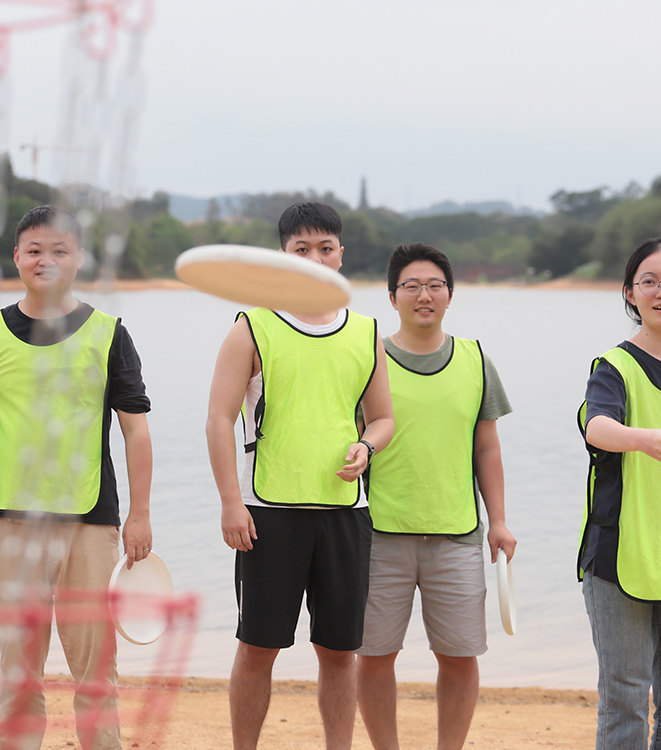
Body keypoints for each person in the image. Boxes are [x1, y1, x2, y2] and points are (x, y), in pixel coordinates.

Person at [0, 205, 153, 750]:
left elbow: (136, 432)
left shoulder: (109, 333)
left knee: (96, 677)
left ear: (79, 258)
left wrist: (140, 515)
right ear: (16, 257)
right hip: (11, 525)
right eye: (35, 249)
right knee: (18, 675)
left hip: (90, 525)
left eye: (60, 250)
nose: (46, 260)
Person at [205, 201, 394, 750]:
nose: (314, 257)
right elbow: (218, 418)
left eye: (325, 247)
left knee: (339, 651)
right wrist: (229, 502)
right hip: (267, 513)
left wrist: (365, 446)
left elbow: (382, 419)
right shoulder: (253, 327)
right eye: (301, 249)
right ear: (283, 257)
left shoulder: (366, 333)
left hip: (345, 514)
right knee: (259, 646)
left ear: (341, 255)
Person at [356, 242, 516, 750]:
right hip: (379, 533)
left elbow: (486, 448)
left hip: (457, 535)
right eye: (411, 286)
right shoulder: (367, 357)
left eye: (435, 286)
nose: (424, 295)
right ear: (391, 297)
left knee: (460, 656)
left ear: (450, 295)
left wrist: (500, 521)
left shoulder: (473, 357)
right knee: (375, 655)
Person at [578, 236, 661, 750]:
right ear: (629, 293)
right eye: (650, 281)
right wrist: (641, 438)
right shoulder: (613, 366)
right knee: (624, 700)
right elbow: (596, 425)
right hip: (619, 557)